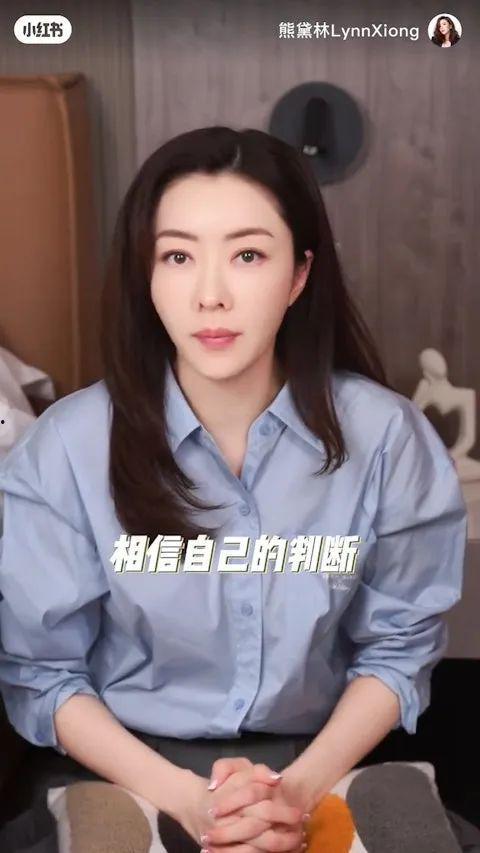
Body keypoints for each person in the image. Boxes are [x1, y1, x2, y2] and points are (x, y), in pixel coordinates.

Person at [0, 126, 468, 852]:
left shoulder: (387, 438)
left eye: (248, 255)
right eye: (177, 256)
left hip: (326, 760)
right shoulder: (67, 446)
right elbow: (44, 671)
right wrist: (194, 803)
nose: (210, 296)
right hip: (122, 764)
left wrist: (292, 796)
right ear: (146, 275)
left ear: (299, 274)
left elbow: (398, 651)